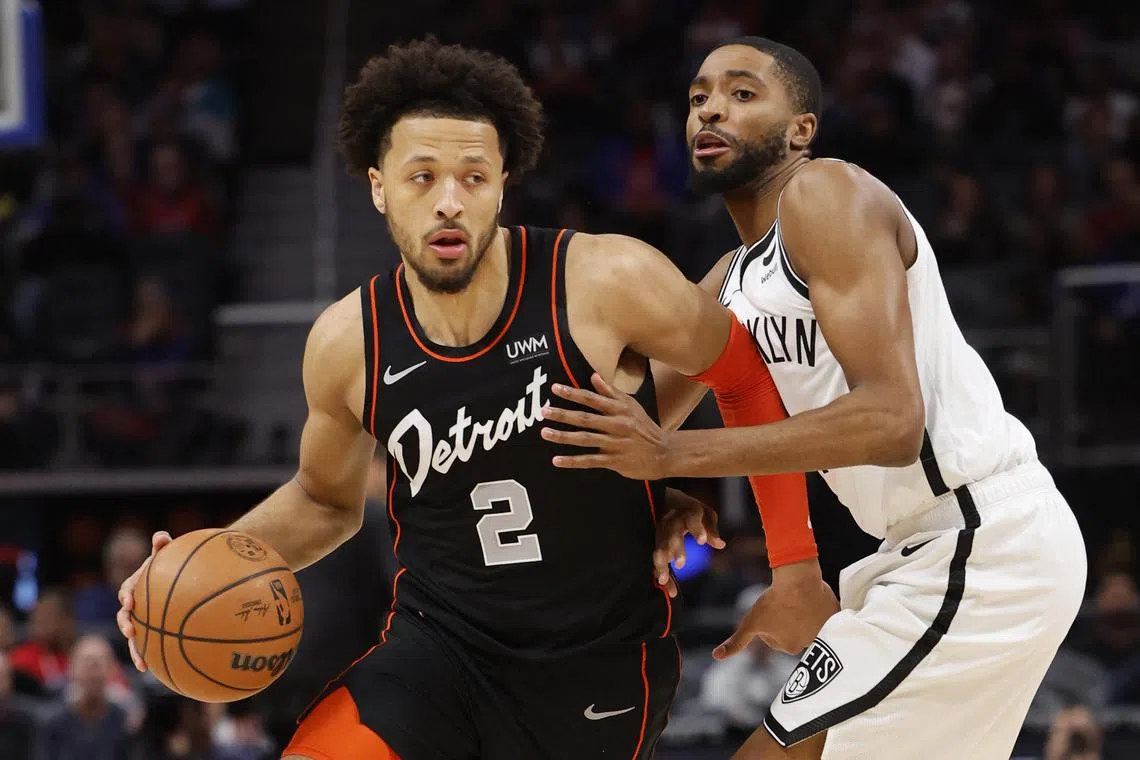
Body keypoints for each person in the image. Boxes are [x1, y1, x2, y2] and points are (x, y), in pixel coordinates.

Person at [115, 37, 825, 760]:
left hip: (598, 660)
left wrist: (789, 558)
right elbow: (325, 502)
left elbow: (744, 374)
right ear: (378, 186)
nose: (449, 202)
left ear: (503, 182)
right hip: (438, 653)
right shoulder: (347, 342)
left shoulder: (606, 280)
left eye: (473, 177)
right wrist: (199, 568)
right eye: (421, 177)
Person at [542, 36, 1088, 760]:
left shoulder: (825, 192)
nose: (710, 110)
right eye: (699, 96)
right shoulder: (730, 280)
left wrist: (674, 454)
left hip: (982, 542)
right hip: (918, 552)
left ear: (800, 128)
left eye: (742, 94)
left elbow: (892, 420)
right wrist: (663, 495)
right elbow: (624, 428)